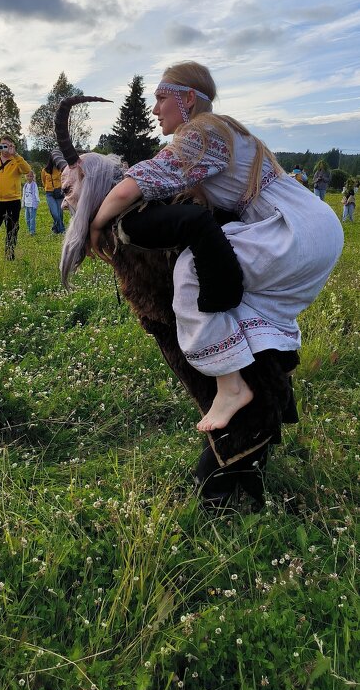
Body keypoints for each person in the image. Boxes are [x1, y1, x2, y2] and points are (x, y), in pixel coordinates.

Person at [89, 61, 344, 433]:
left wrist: (95, 223)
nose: (155, 109)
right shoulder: (231, 132)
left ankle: (230, 386)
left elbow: (138, 182)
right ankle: (271, 391)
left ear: (188, 98)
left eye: (161, 98)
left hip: (291, 230)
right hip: (315, 226)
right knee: (243, 300)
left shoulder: (202, 133)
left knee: (193, 271)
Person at [41, 149, 67, 234]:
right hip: (50, 193)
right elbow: (43, 181)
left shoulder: (61, 169)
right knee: (55, 213)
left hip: (59, 192)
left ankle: (55, 229)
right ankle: (62, 229)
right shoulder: (44, 170)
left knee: (60, 214)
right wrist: (47, 187)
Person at [21, 170, 40, 235]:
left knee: (32, 219)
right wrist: (23, 203)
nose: (29, 177)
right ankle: (30, 229)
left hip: (32, 205)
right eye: (28, 176)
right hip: (27, 205)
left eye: (31, 176)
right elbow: (23, 195)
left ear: (33, 177)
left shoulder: (34, 185)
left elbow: (36, 194)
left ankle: (32, 231)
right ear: (26, 176)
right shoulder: (25, 185)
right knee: (27, 219)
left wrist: (37, 202)